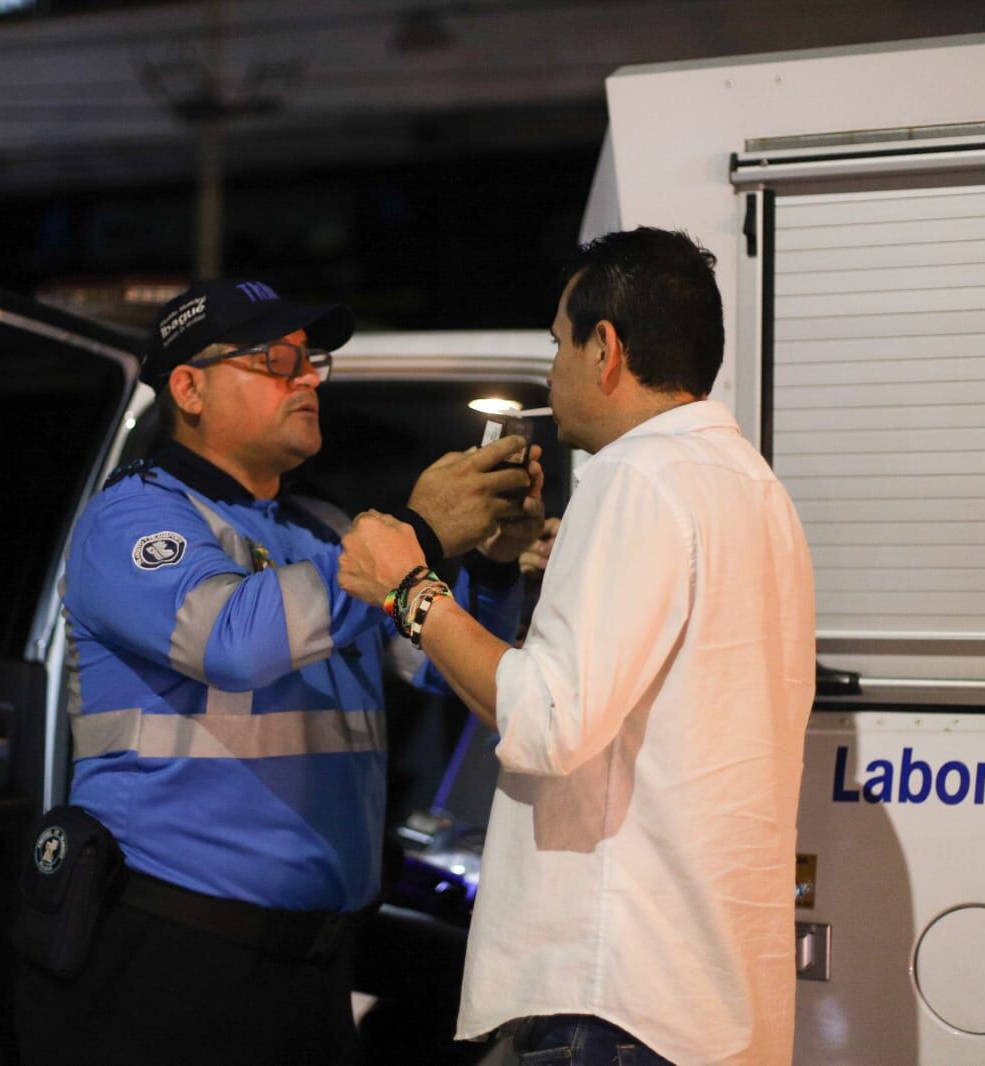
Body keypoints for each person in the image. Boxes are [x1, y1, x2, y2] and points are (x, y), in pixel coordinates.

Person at [15, 278, 542, 1066]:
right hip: (175, 955)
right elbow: (231, 638)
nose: (305, 379)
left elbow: (436, 670)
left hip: (311, 963)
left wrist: (494, 570)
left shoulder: (320, 527)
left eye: (311, 361)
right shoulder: (134, 517)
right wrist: (424, 534)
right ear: (188, 388)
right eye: (275, 360)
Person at [338, 228, 817, 1064]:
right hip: (706, 998)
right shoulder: (751, 486)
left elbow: (549, 719)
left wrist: (408, 588)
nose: (551, 368)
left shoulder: (634, 477)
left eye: (558, 342)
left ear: (607, 348)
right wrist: (506, 576)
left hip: (617, 997)